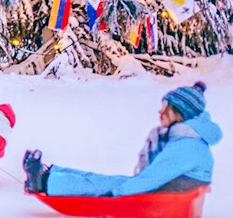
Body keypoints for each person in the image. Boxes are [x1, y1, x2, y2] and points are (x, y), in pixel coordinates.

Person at [24, 81, 221, 196]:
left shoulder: (187, 146)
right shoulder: (185, 139)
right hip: (162, 192)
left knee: (103, 185)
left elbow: (149, 178)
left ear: (179, 112)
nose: (159, 112)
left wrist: (116, 195)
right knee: (103, 179)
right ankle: (50, 173)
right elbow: (152, 174)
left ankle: (45, 182)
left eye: (165, 108)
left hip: (161, 198)